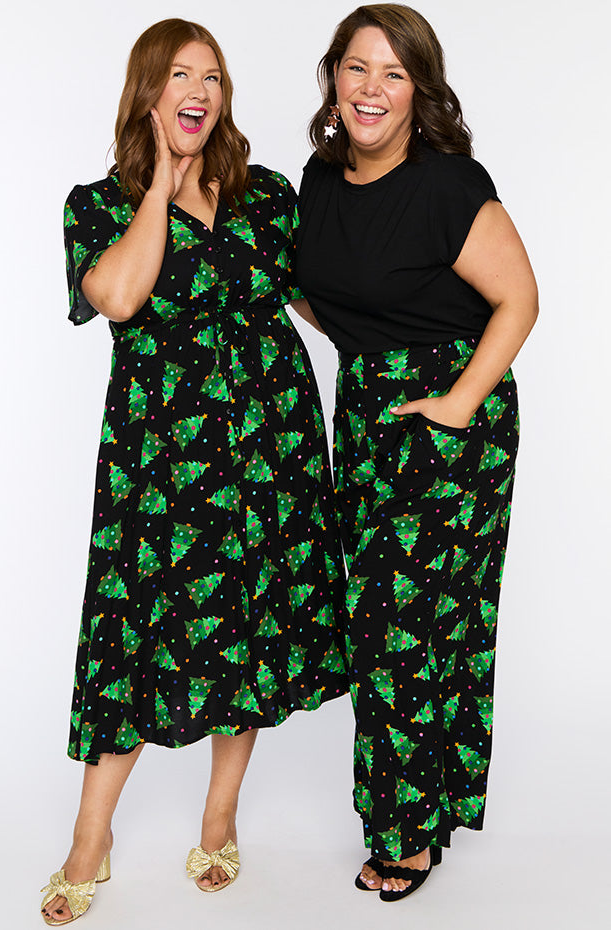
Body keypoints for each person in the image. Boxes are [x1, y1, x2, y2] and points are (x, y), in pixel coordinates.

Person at [42, 18, 346, 924]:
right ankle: (89, 838)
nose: (200, 91)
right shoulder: (97, 206)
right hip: (163, 471)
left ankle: (220, 818)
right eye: (181, 75)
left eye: (213, 77)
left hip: (271, 458)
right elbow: (120, 295)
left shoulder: (268, 197)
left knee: (246, 631)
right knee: (136, 641)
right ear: (149, 92)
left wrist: (427, 347)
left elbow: (323, 303)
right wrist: (161, 189)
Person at [294, 3, 538, 903]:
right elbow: (316, 292)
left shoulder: (447, 184)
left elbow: (520, 299)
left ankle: (405, 834)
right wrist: (367, 353)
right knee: (388, 626)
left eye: (393, 74)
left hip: (451, 413)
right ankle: (425, 808)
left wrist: (455, 406)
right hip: (366, 414)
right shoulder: (319, 182)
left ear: (417, 90)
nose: (372, 89)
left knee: (411, 628)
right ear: (334, 77)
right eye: (358, 68)